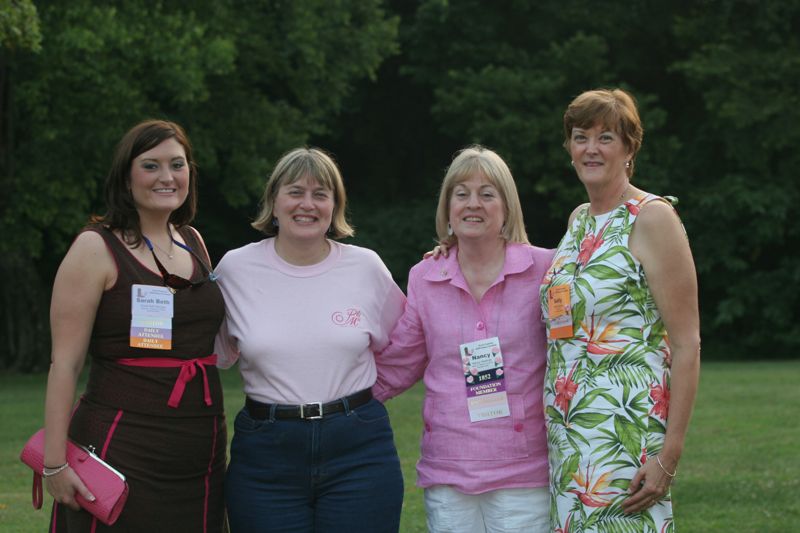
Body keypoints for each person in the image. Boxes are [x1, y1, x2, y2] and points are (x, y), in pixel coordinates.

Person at [42, 120, 227, 531]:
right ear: (126, 178)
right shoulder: (95, 248)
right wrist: (54, 464)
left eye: (177, 165)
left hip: (200, 446)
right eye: (151, 166)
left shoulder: (194, 241)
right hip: (122, 443)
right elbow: (65, 364)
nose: (167, 177)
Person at [214, 147, 406, 533]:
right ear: (273, 201)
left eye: (321, 194)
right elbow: (209, 356)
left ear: (335, 206)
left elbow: (405, 345)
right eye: (295, 191)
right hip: (266, 455)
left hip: (359, 452)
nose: (307, 204)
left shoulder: (366, 267)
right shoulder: (234, 269)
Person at [540, 88, 701, 531]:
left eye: (606, 137)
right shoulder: (578, 221)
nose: (591, 148)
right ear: (569, 148)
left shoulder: (652, 218)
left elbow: (688, 343)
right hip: (569, 432)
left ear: (630, 148)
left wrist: (669, 456)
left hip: (624, 435)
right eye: (580, 136)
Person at [374, 146, 553, 532]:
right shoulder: (426, 275)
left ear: (507, 207)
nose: (474, 204)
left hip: (524, 469)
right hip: (448, 468)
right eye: (462, 193)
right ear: (448, 207)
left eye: (487, 194)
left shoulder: (545, 268)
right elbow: (400, 360)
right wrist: (334, 393)